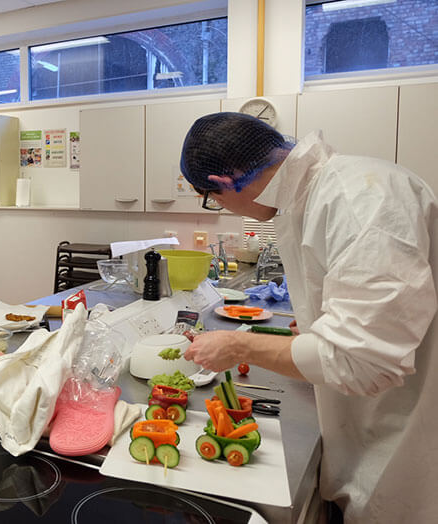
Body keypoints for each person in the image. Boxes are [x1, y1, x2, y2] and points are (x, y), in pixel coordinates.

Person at [178, 112, 438, 523]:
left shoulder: (359, 199)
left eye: (212, 199)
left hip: (405, 446)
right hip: (366, 426)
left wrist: (238, 345)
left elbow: (361, 361)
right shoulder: (316, 195)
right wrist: (320, 325)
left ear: (224, 183)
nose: (220, 208)